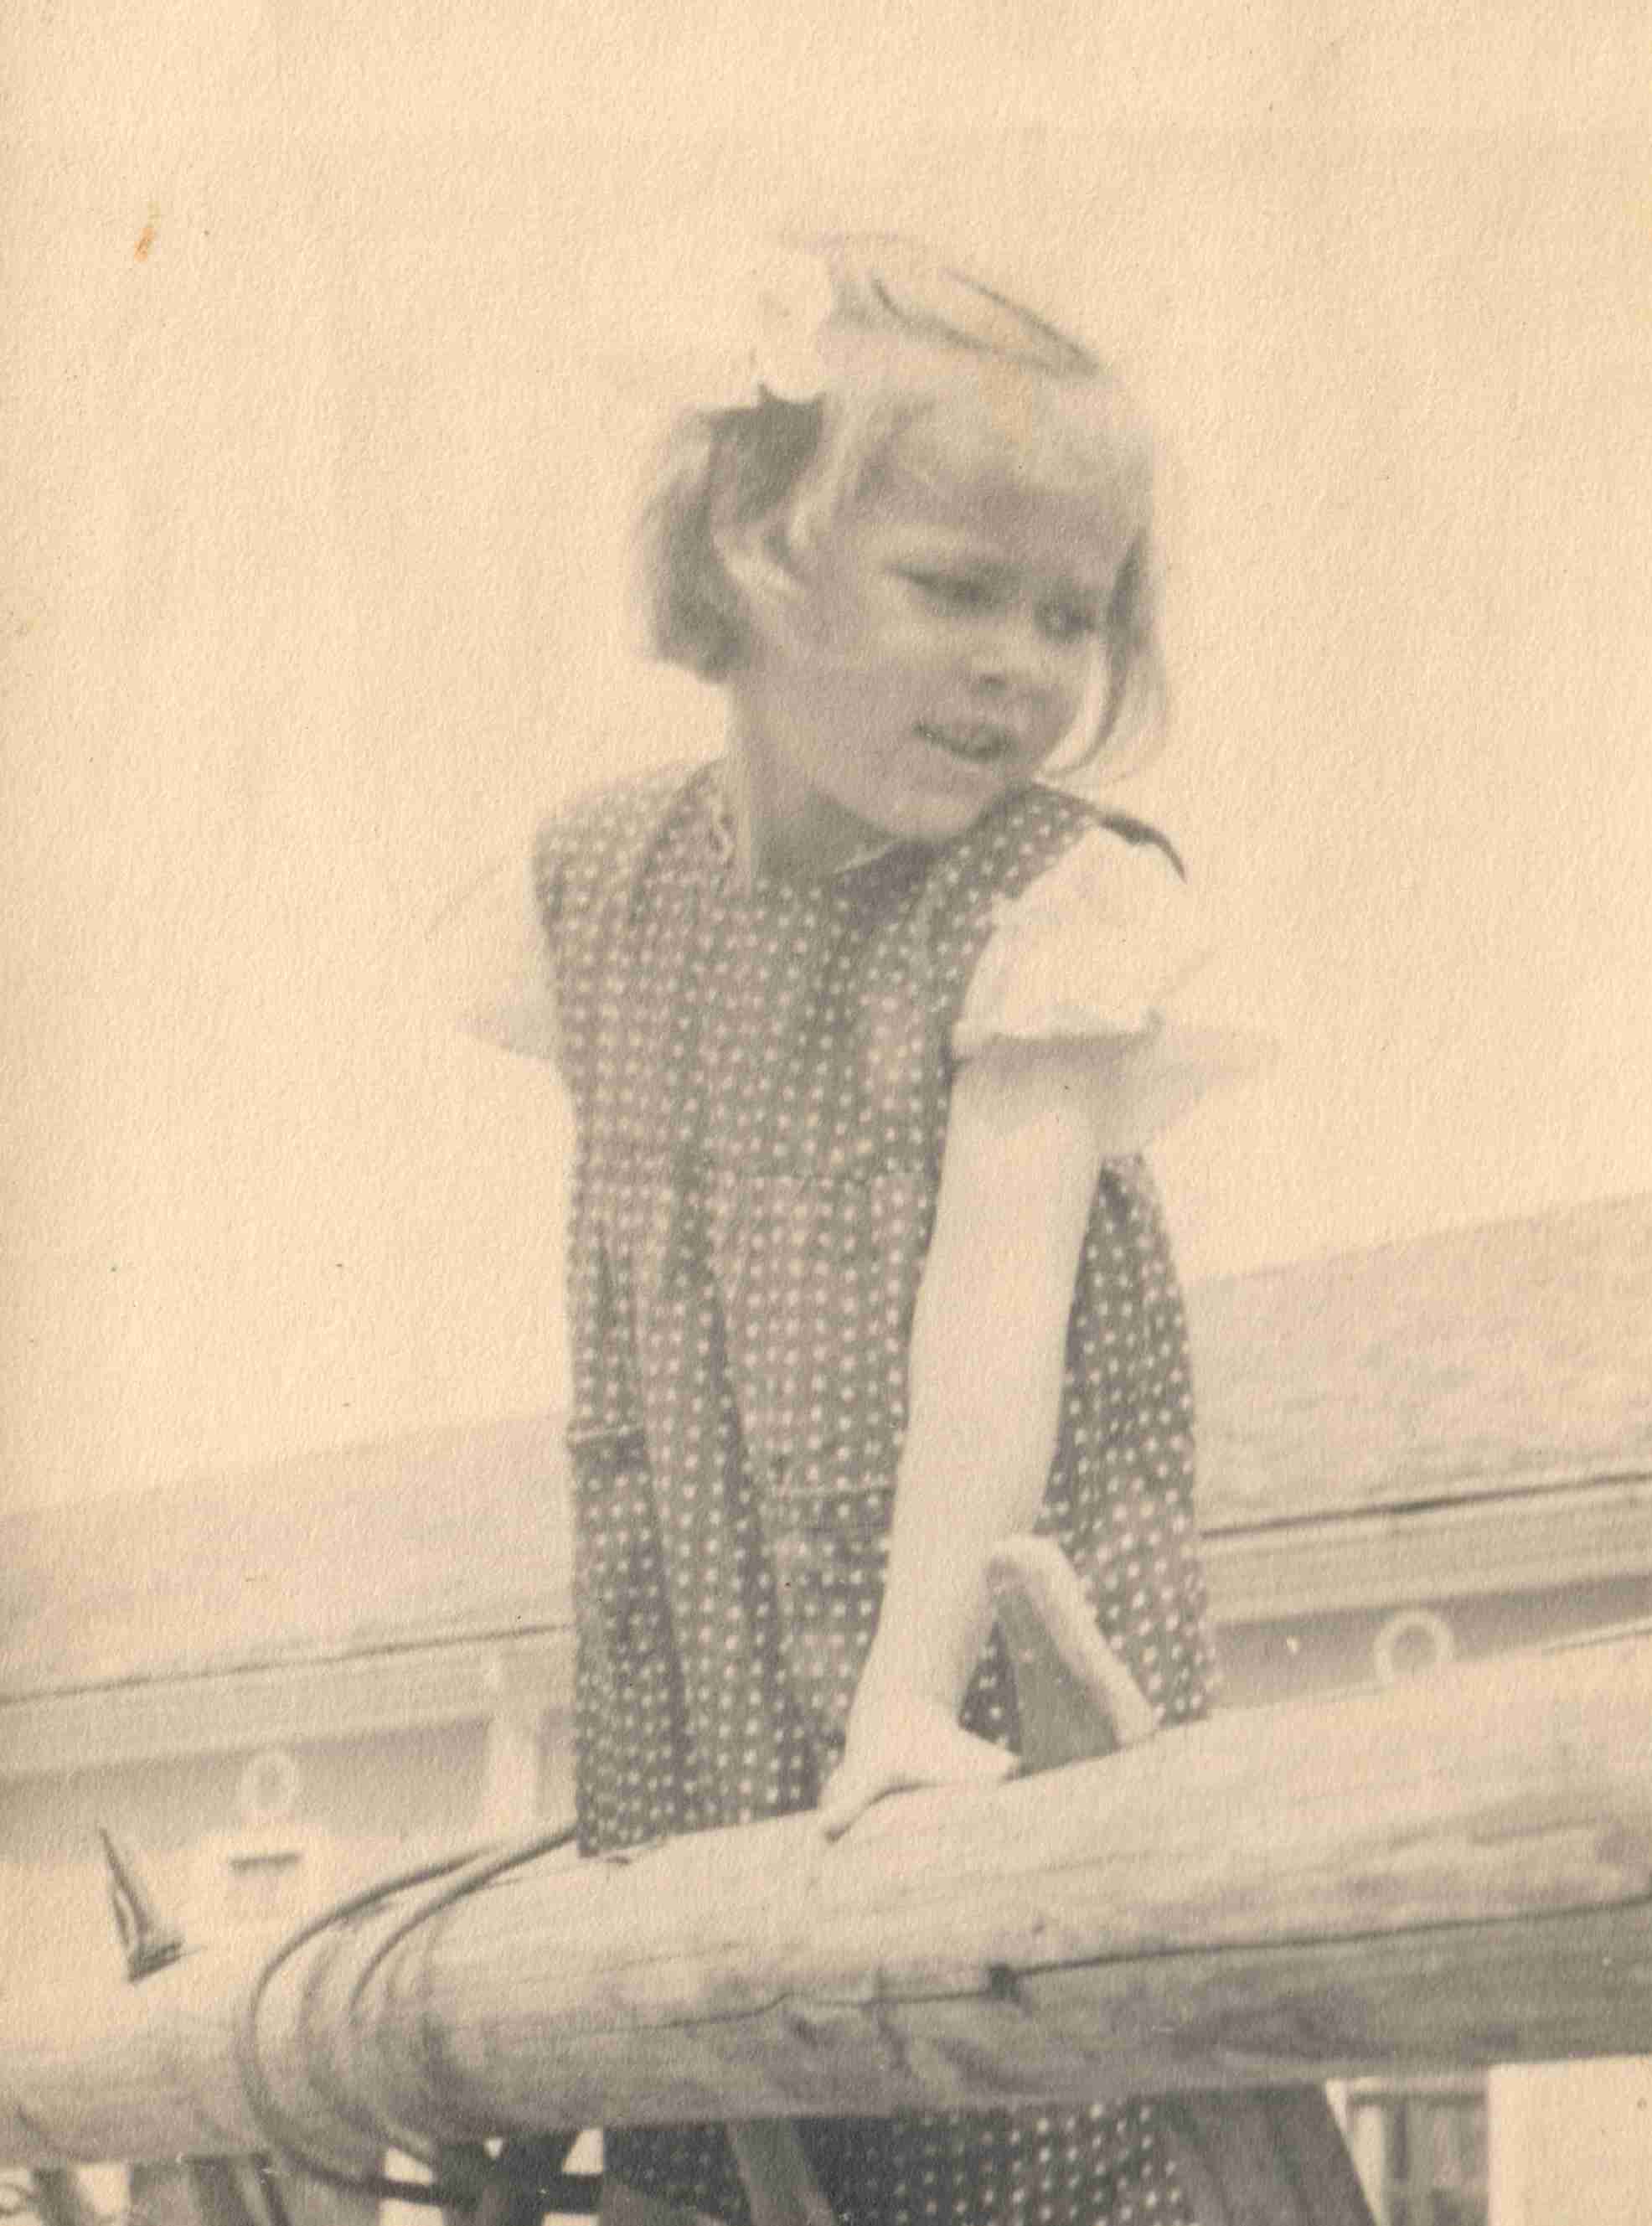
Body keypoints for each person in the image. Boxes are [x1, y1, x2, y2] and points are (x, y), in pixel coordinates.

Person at [436, 235, 1252, 2226]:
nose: (1020, 665)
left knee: (1018, 2101)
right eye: (956, 589)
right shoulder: (598, 889)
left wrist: (906, 1694)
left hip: (970, 1678)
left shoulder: (1045, 903)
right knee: (736, 2141)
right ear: (755, 553)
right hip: (702, 1698)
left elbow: (995, 1326)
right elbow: (650, 1338)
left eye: (1070, 615)